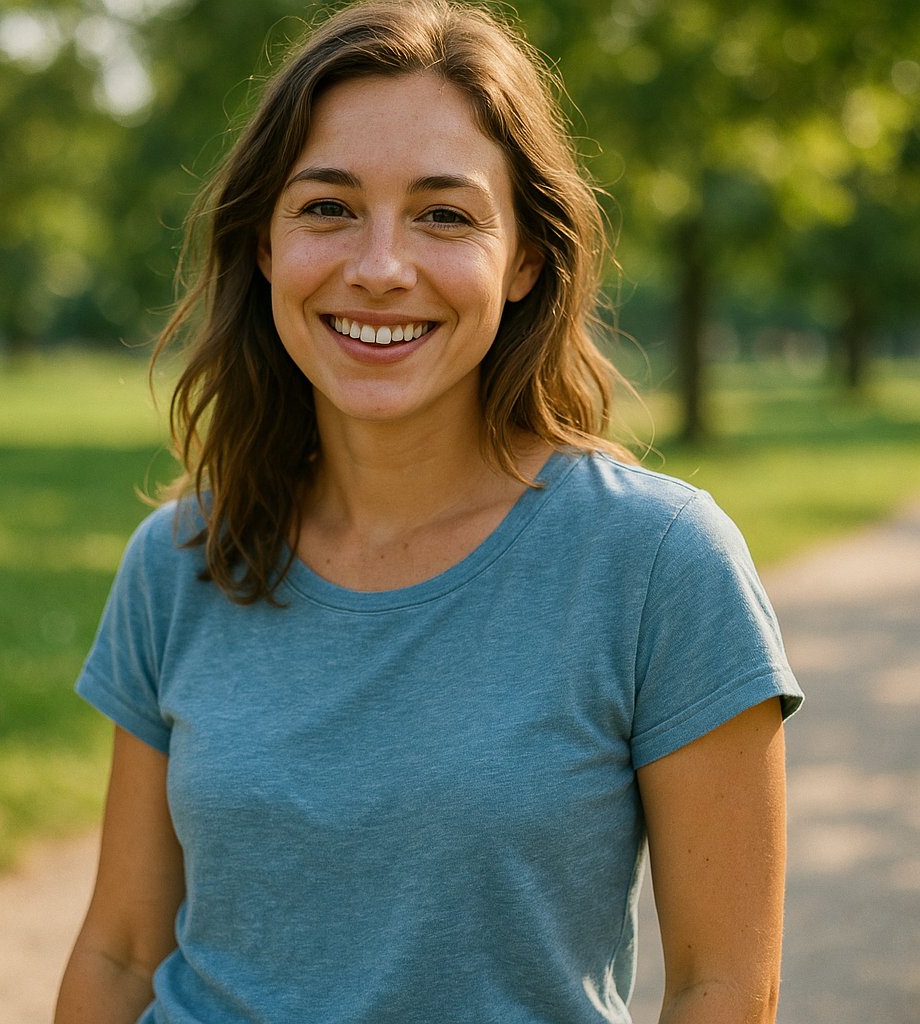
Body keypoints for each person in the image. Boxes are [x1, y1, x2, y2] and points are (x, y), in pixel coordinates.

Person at [55, 1, 803, 1021]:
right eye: (327, 207)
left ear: (525, 258)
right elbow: (119, 951)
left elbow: (725, 987)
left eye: (444, 215)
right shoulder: (178, 559)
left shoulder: (659, 564)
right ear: (265, 244)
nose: (378, 267)